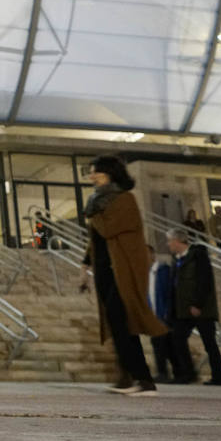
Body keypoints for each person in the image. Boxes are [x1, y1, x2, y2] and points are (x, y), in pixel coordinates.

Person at [79, 155, 168, 396]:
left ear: (109, 173)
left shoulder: (123, 200)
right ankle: (129, 377)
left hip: (125, 270)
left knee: (121, 320)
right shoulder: (98, 202)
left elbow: (108, 229)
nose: (92, 175)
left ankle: (143, 379)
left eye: (96, 171)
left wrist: (93, 213)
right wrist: (85, 266)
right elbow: (96, 240)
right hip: (106, 271)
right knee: (118, 323)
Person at [166, 227, 221, 386]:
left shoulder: (198, 256)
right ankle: (188, 373)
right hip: (183, 310)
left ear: (178, 241)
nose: (168, 245)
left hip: (201, 310)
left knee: (209, 343)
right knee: (177, 338)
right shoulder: (176, 260)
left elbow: (204, 281)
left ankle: (219, 376)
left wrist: (197, 304)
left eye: (170, 241)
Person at [146, 245, 174, 383]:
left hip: (164, 315)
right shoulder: (146, 273)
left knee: (167, 344)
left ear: (152, 255)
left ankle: (173, 372)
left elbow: (169, 293)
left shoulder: (163, 271)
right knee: (157, 344)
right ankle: (162, 372)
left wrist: (166, 313)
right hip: (153, 316)